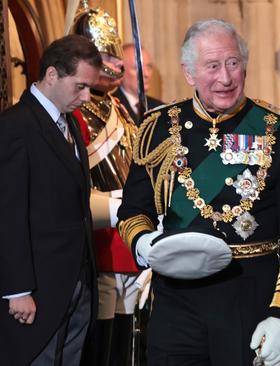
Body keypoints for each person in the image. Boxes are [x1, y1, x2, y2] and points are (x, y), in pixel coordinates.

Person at [117, 19, 280, 366]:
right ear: (189, 73)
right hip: (176, 304)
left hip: (251, 298)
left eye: (233, 63)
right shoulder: (159, 128)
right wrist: (144, 243)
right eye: (212, 66)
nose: (225, 78)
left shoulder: (279, 131)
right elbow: (134, 212)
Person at [0, 34, 101, 365]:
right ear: (53, 75)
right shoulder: (15, 126)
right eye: (81, 86)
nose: (87, 97)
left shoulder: (68, 122)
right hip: (37, 290)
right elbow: (8, 214)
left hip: (78, 283)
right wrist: (17, 290)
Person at [68, 4, 143, 365]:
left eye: (115, 54)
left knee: (127, 335)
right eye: (104, 56)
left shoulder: (120, 108)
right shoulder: (75, 111)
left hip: (126, 233)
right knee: (100, 339)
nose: (113, 64)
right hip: (96, 232)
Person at [113, 43, 164, 123]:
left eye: (149, 67)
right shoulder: (112, 106)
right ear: (121, 70)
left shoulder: (161, 109)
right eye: (137, 68)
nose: (146, 74)